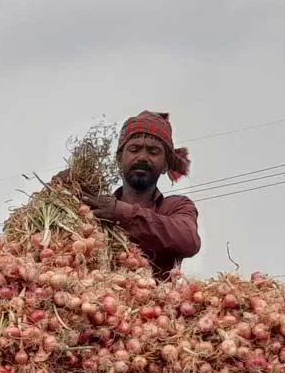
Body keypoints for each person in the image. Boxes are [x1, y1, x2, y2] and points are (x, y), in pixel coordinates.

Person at [69, 111, 201, 279]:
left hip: (156, 302)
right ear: (118, 159)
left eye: (153, 152)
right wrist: (62, 189)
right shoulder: (93, 208)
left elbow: (188, 240)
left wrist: (120, 213)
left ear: (165, 165)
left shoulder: (177, 206)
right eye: (134, 149)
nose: (143, 157)